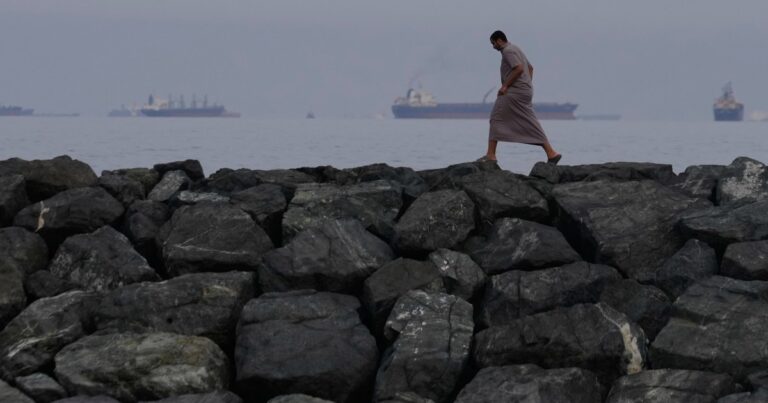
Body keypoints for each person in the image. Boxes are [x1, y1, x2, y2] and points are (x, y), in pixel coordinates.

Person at [479, 30, 562, 164]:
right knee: (530, 121)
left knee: (496, 117)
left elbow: (518, 68)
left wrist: (505, 86)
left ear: (499, 40)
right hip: (525, 91)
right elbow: (530, 68)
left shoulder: (508, 51)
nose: (493, 47)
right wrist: (527, 84)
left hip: (514, 91)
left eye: (493, 43)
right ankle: (551, 153)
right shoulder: (516, 48)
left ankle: (491, 155)